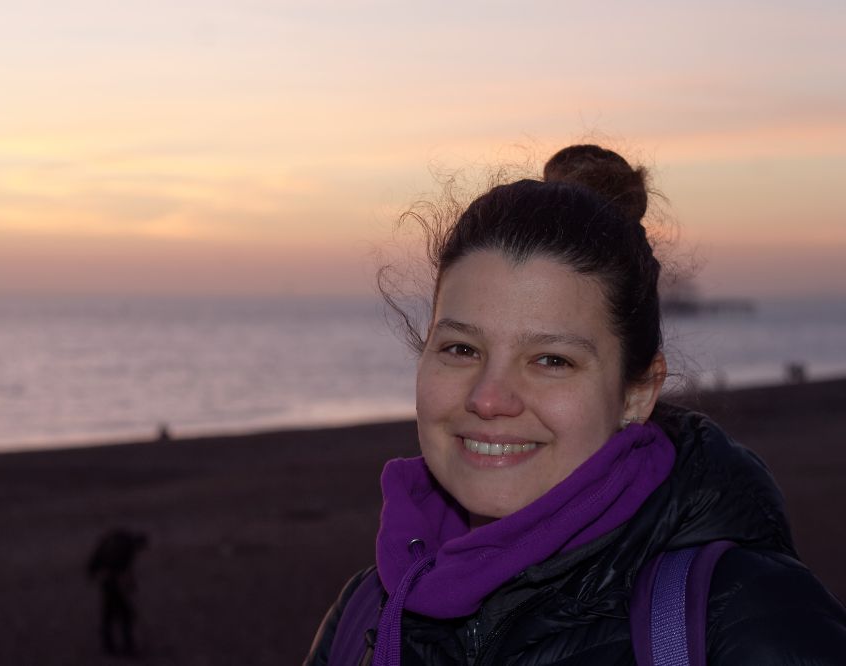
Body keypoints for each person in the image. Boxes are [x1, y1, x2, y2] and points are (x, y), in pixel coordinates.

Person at [305, 145, 846, 665]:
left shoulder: (746, 621)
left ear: (637, 393)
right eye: (462, 349)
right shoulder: (366, 617)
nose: (488, 398)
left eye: (552, 360)